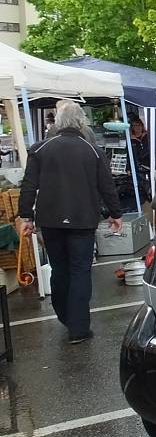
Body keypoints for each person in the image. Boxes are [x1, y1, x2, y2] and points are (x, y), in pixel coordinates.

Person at [17, 102, 123, 344]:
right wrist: (115, 214)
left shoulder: (40, 149)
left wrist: (26, 217)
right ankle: (79, 327)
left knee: (59, 269)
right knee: (80, 271)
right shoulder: (93, 150)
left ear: (58, 121)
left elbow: (29, 186)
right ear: (81, 122)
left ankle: (65, 316)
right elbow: (107, 185)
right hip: (83, 219)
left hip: (50, 219)